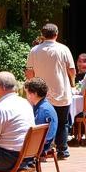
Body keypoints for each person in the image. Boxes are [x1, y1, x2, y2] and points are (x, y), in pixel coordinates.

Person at [26, 23, 76, 159]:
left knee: (40, 123)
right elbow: (71, 69)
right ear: (56, 34)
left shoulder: (35, 50)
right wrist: (72, 82)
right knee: (62, 122)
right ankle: (62, 149)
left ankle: (40, 150)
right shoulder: (63, 49)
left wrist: (32, 86)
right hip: (61, 91)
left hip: (40, 93)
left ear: (42, 35)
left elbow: (29, 72)